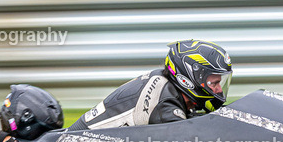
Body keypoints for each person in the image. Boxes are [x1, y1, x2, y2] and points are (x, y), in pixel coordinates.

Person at [68, 39, 232, 131]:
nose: (218, 90)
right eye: (213, 83)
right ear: (189, 78)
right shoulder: (164, 103)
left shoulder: (164, 82)